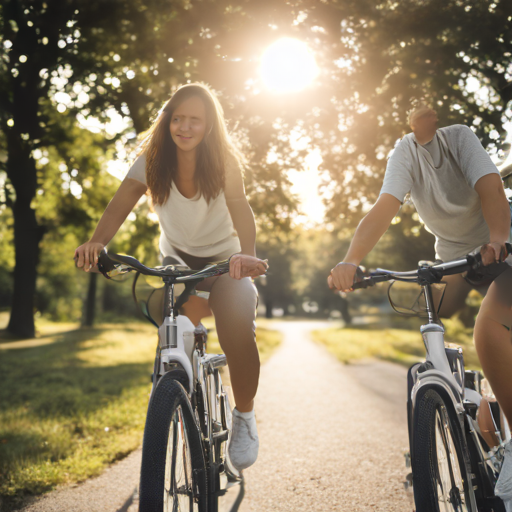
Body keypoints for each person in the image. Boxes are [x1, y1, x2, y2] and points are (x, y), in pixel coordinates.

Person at [75, 83, 268, 471]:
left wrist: (247, 254)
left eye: (194, 119)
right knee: (170, 326)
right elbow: (119, 205)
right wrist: (96, 242)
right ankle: (175, 394)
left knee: (236, 329)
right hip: (177, 262)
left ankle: (244, 417)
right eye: (177, 118)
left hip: (224, 261)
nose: (184, 126)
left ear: (209, 124)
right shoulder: (152, 159)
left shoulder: (225, 160)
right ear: (166, 121)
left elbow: (240, 206)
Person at [327, 106, 512, 504]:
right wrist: (351, 260)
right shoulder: (404, 152)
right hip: (452, 254)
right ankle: (451, 405)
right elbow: (384, 207)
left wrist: (498, 238)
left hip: (501, 245)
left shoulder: (459, 136)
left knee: (488, 329)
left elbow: (492, 188)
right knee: (432, 317)